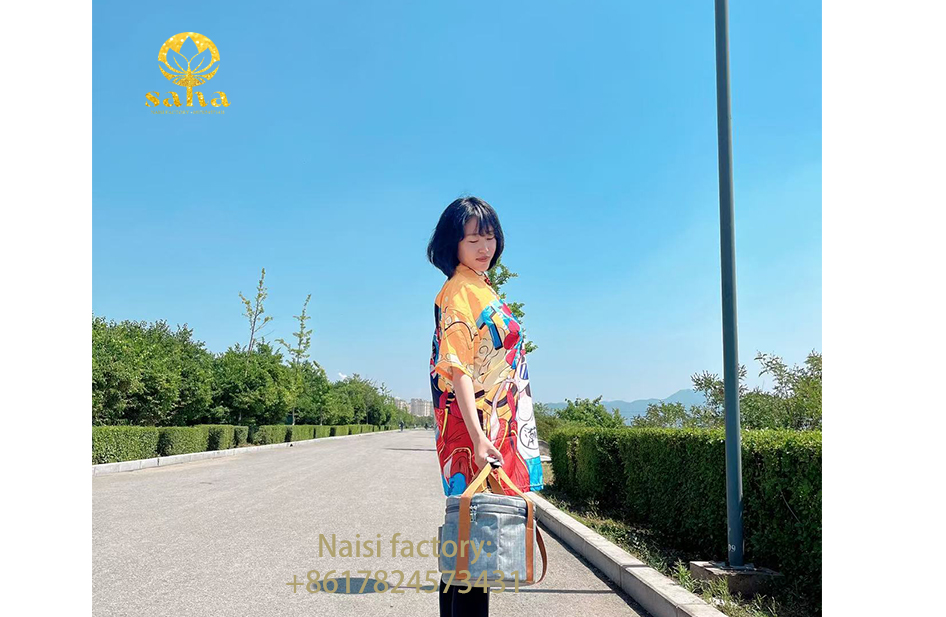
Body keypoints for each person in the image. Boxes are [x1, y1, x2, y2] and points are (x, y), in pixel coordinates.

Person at [427, 196, 544, 617]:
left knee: (469, 540)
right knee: (478, 539)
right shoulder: (461, 292)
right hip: (476, 429)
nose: (485, 247)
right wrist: (478, 439)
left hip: (491, 425)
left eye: (490, 237)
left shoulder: (480, 286)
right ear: (453, 244)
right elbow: (457, 369)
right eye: (473, 239)